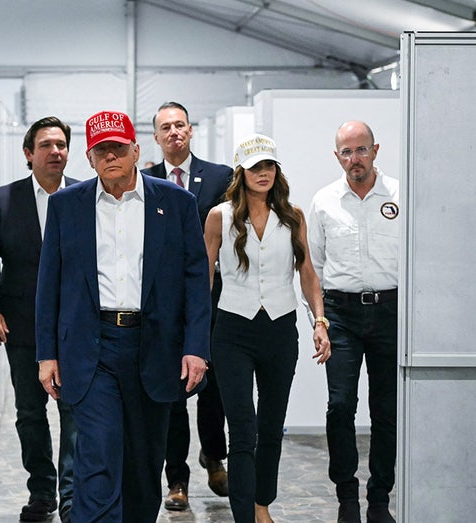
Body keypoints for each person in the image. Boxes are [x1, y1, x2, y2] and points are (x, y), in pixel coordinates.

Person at [35, 110, 211, 523]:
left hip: (154, 346)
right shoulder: (66, 206)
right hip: (91, 347)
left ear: (136, 149)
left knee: (143, 465)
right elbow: (49, 284)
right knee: (97, 455)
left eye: (118, 147)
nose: (110, 156)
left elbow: (195, 281)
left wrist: (196, 348)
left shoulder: (176, 203)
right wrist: (47, 354)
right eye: (101, 150)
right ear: (89, 158)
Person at [204, 133, 331, 523]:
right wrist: (194, 333)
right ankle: (245, 515)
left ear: (277, 170)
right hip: (232, 331)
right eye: (255, 167)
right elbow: (204, 276)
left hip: (279, 330)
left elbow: (307, 273)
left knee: (272, 427)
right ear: (241, 172)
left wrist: (319, 321)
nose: (263, 173)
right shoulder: (220, 216)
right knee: (243, 429)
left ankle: (262, 506)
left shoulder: (293, 216)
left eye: (269, 166)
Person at [0, 116, 79, 522]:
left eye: (61, 145)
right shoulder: (3, 200)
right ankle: (42, 492)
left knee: (74, 413)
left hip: (74, 326)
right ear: (28, 153)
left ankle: (71, 496)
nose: (55, 151)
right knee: (30, 413)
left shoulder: (86, 196)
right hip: (21, 323)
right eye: (46, 145)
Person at [142, 101, 232, 509]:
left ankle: (214, 456)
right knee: (172, 392)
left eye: (180, 125)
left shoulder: (219, 177)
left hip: (212, 298)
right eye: (166, 127)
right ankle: (176, 479)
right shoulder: (144, 180)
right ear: (156, 137)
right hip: (162, 303)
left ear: (191, 130)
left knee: (213, 386)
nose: (174, 132)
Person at [308, 121, 399, 523]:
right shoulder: (324, 201)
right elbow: (313, 267)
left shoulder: (399, 194)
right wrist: (319, 320)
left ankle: (379, 499)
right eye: (346, 152)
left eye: (361, 150)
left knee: (386, 410)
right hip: (340, 315)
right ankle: (347, 497)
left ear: (375, 150)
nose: (354, 159)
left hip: (390, 312)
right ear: (337, 156)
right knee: (340, 406)